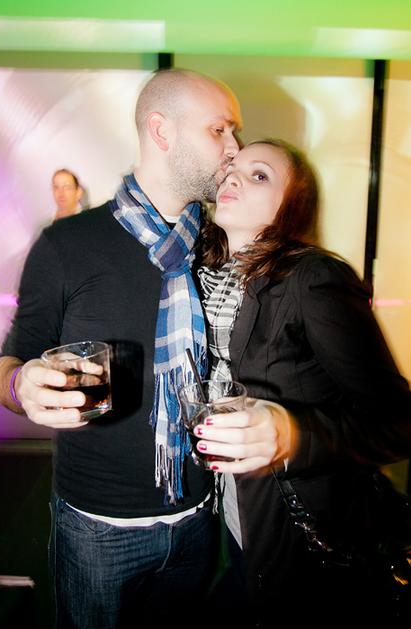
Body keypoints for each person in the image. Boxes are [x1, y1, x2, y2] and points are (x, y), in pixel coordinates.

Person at [0, 68, 242, 628]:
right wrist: (18, 383)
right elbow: (7, 361)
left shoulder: (219, 246)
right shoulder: (67, 244)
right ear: (162, 130)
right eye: (219, 130)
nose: (234, 147)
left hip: (198, 516)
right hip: (98, 528)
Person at [193, 138, 411, 625]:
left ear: (291, 205)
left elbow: (398, 422)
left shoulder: (312, 278)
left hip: (310, 537)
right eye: (234, 168)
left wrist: (292, 434)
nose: (233, 177)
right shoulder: (202, 278)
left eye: (260, 175)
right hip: (237, 519)